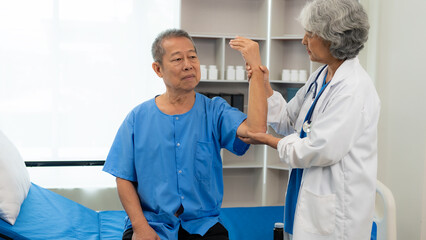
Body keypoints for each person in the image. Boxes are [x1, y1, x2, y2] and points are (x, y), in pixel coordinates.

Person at [230, 0, 380, 239]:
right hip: (307, 189)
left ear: (334, 38)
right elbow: (288, 120)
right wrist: (265, 87)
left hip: (337, 209)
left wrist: (270, 141)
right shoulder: (321, 75)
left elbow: (319, 149)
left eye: (310, 34)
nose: (303, 41)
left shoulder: (353, 89)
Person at [103, 29, 266, 240]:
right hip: (152, 224)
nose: (188, 64)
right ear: (158, 69)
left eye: (192, 57)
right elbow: (123, 177)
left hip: (203, 226)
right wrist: (140, 227)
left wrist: (256, 70)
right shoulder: (138, 118)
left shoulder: (215, 111)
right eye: (178, 59)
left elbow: (255, 130)